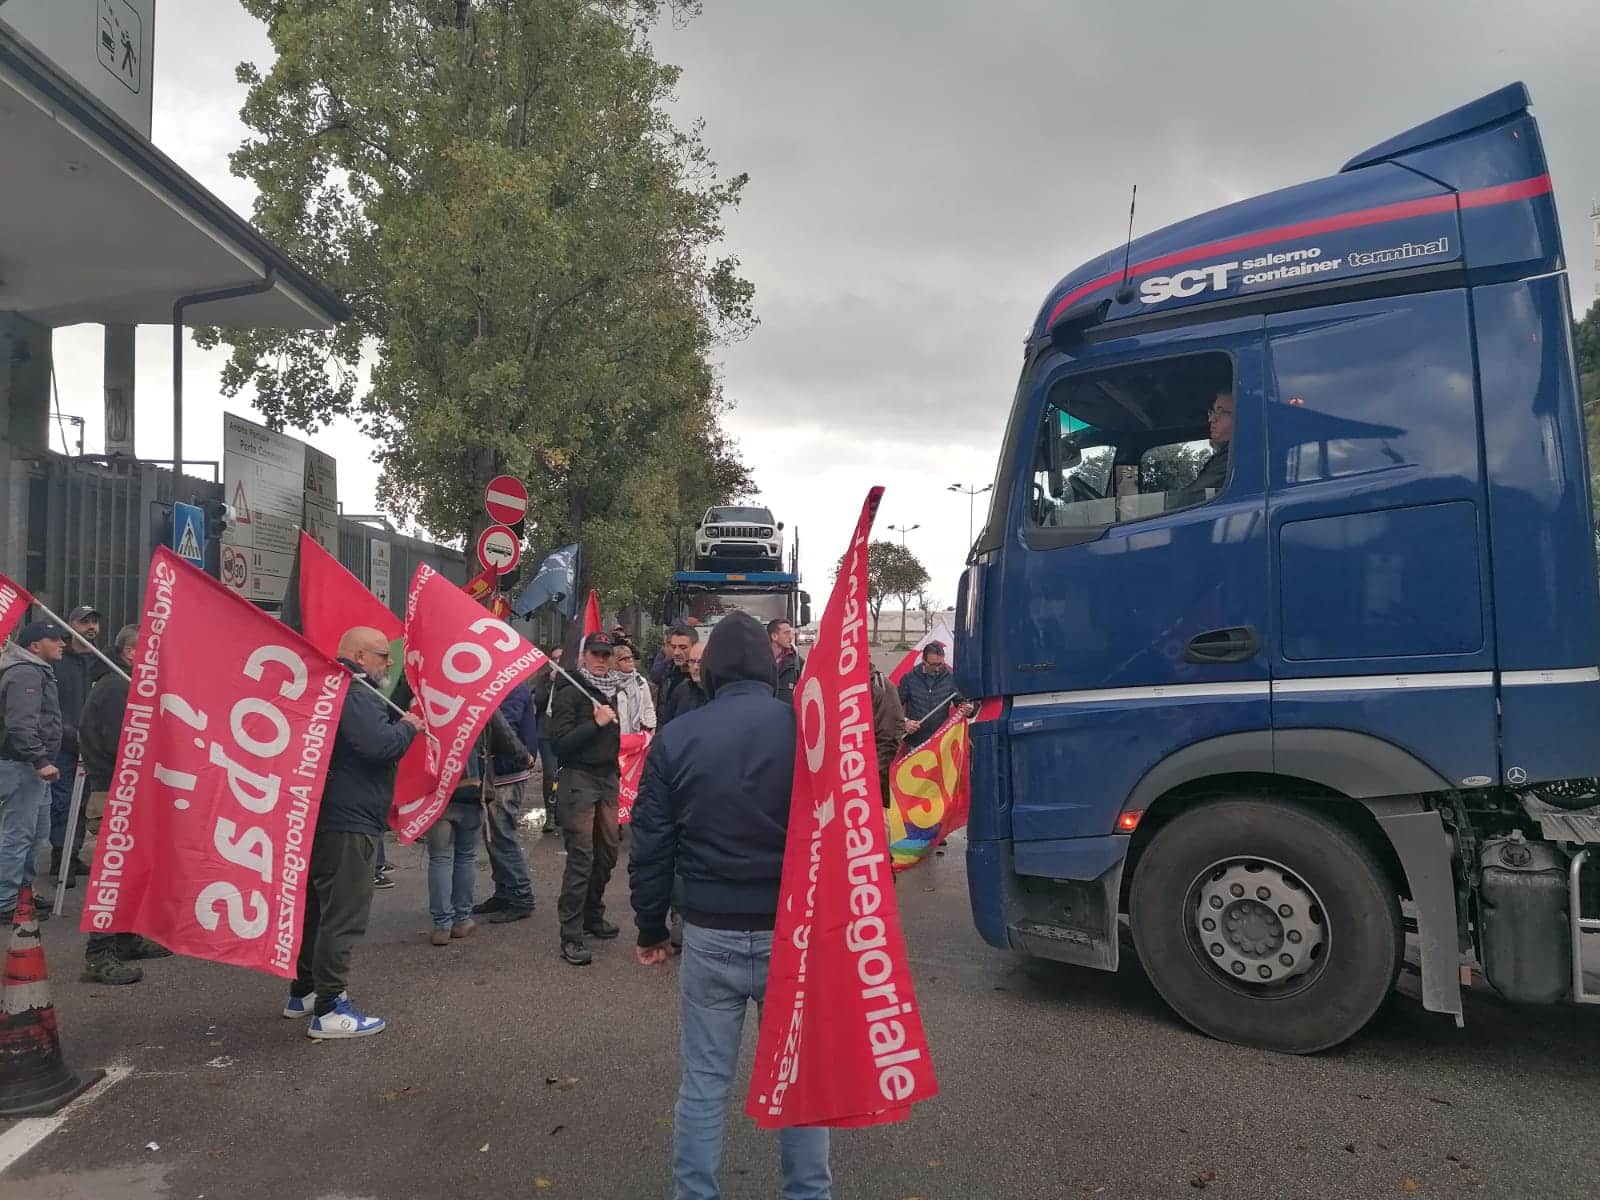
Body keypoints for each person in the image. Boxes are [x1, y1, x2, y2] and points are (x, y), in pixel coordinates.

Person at [629, 611, 832, 1200]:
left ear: (709, 669)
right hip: (790, 934)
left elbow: (652, 843)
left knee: (703, 1084)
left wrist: (649, 927)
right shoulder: (803, 730)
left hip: (709, 930)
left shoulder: (678, 736)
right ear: (771, 667)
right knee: (799, 1081)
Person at [285, 626, 422, 1038]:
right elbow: (379, 745)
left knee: (317, 912)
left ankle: (305, 991)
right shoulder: (355, 692)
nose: (390, 662)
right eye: (383, 655)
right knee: (342, 916)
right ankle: (329, 1008)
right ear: (360, 656)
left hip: (327, 815)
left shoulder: (339, 688)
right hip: (349, 820)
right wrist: (410, 727)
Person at [76, 624, 171, 983]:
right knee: (112, 875)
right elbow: (126, 746)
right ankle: (99, 955)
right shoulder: (117, 688)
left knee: (130, 871)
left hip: (124, 792)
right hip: (115, 793)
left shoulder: (121, 685)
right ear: (131, 652)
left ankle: (126, 937)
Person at [547, 632, 623, 967]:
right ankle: (571, 935)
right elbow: (560, 744)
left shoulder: (614, 690)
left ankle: (593, 914)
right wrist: (595, 723)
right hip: (579, 779)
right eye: (596, 654)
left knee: (607, 853)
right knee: (581, 857)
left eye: (606, 655)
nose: (602, 660)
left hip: (607, 778)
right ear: (584, 655)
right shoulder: (569, 692)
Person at [0, 622, 67, 924]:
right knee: (18, 834)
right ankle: (5, 900)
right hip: (22, 766)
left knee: (35, 834)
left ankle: (20, 893)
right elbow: (21, 725)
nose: (62, 643)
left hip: (31, 767)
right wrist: (40, 760)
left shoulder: (35, 671)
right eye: (54, 638)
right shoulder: (25, 673)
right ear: (34, 646)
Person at [473, 681, 540, 923]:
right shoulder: (510, 686)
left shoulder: (508, 687)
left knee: (502, 835)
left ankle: (521, 896)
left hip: (506, 770)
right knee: (494, 835)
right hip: (503, 768)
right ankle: (504, 892)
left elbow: (505, 727)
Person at [48, 604, 102, 885]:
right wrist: (70, 735)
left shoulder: (98, 660)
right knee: (63, 802)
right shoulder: (58, 661)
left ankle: (73, 852)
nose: (90, 627)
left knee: (82, 803)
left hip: (89, 745)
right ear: (70, 625)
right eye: (84, 622)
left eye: (94, 622)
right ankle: (61, 857)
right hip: (62, 743)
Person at [898, 641, 966, 749]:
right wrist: (905, 723)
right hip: (915, 743)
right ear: (924, 661)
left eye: (940, 664)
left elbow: (962, 703)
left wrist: (969, 709)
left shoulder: (950, 679)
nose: (937, 669)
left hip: (940, 742)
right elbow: (893, 708)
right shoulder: (909, 679)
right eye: (933, 665)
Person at [1179, 387, 1233, 503]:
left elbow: (1190, 499)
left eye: (1220, 411)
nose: (1211, 419)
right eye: (1212, 412)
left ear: (1240, 416)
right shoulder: (1225, 456)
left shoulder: (1234, 458)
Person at [532, 647, 563, 833]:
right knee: (551, 773)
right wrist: (549, 683)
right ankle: (550, 812)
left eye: (561, 658)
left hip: (566, 732)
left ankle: (563, 812)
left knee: (566, 774)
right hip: (547, 732)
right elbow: (539, 702)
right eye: (554, 659)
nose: (557, 662)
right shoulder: (544, 679)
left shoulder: (573, 679)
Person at [871, 663, 905, 804]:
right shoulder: (834, 682)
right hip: (839, 780)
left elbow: (891, 736)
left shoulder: (882, 687)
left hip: (872, 776)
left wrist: (872, 772)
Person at [661, 640, 708, 728]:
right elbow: (666, 724)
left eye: (701, 662)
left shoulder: (720, 693)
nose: (696, 667)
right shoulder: (682, 690)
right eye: (692, 661)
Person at [612, 641, 657, 734]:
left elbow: (648, 707)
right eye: (624, 658)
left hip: (638, 734)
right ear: (615, 662)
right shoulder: (609, 682)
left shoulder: (640, 681)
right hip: (618, 734)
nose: (630, 660)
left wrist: (651, 727)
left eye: (631, 657)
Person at [651, 625, 697, 714]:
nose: (676, 653)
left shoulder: (703, 679)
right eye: (673, 647)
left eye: (682, 647)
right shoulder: (668, 673)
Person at [768, 618, 803, 705]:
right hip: (763, 716)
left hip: (787, 716)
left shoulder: (797, 662)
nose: (791, 637)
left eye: (791, 633)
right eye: (786, 633)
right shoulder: (758, 662)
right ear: (774, 636)